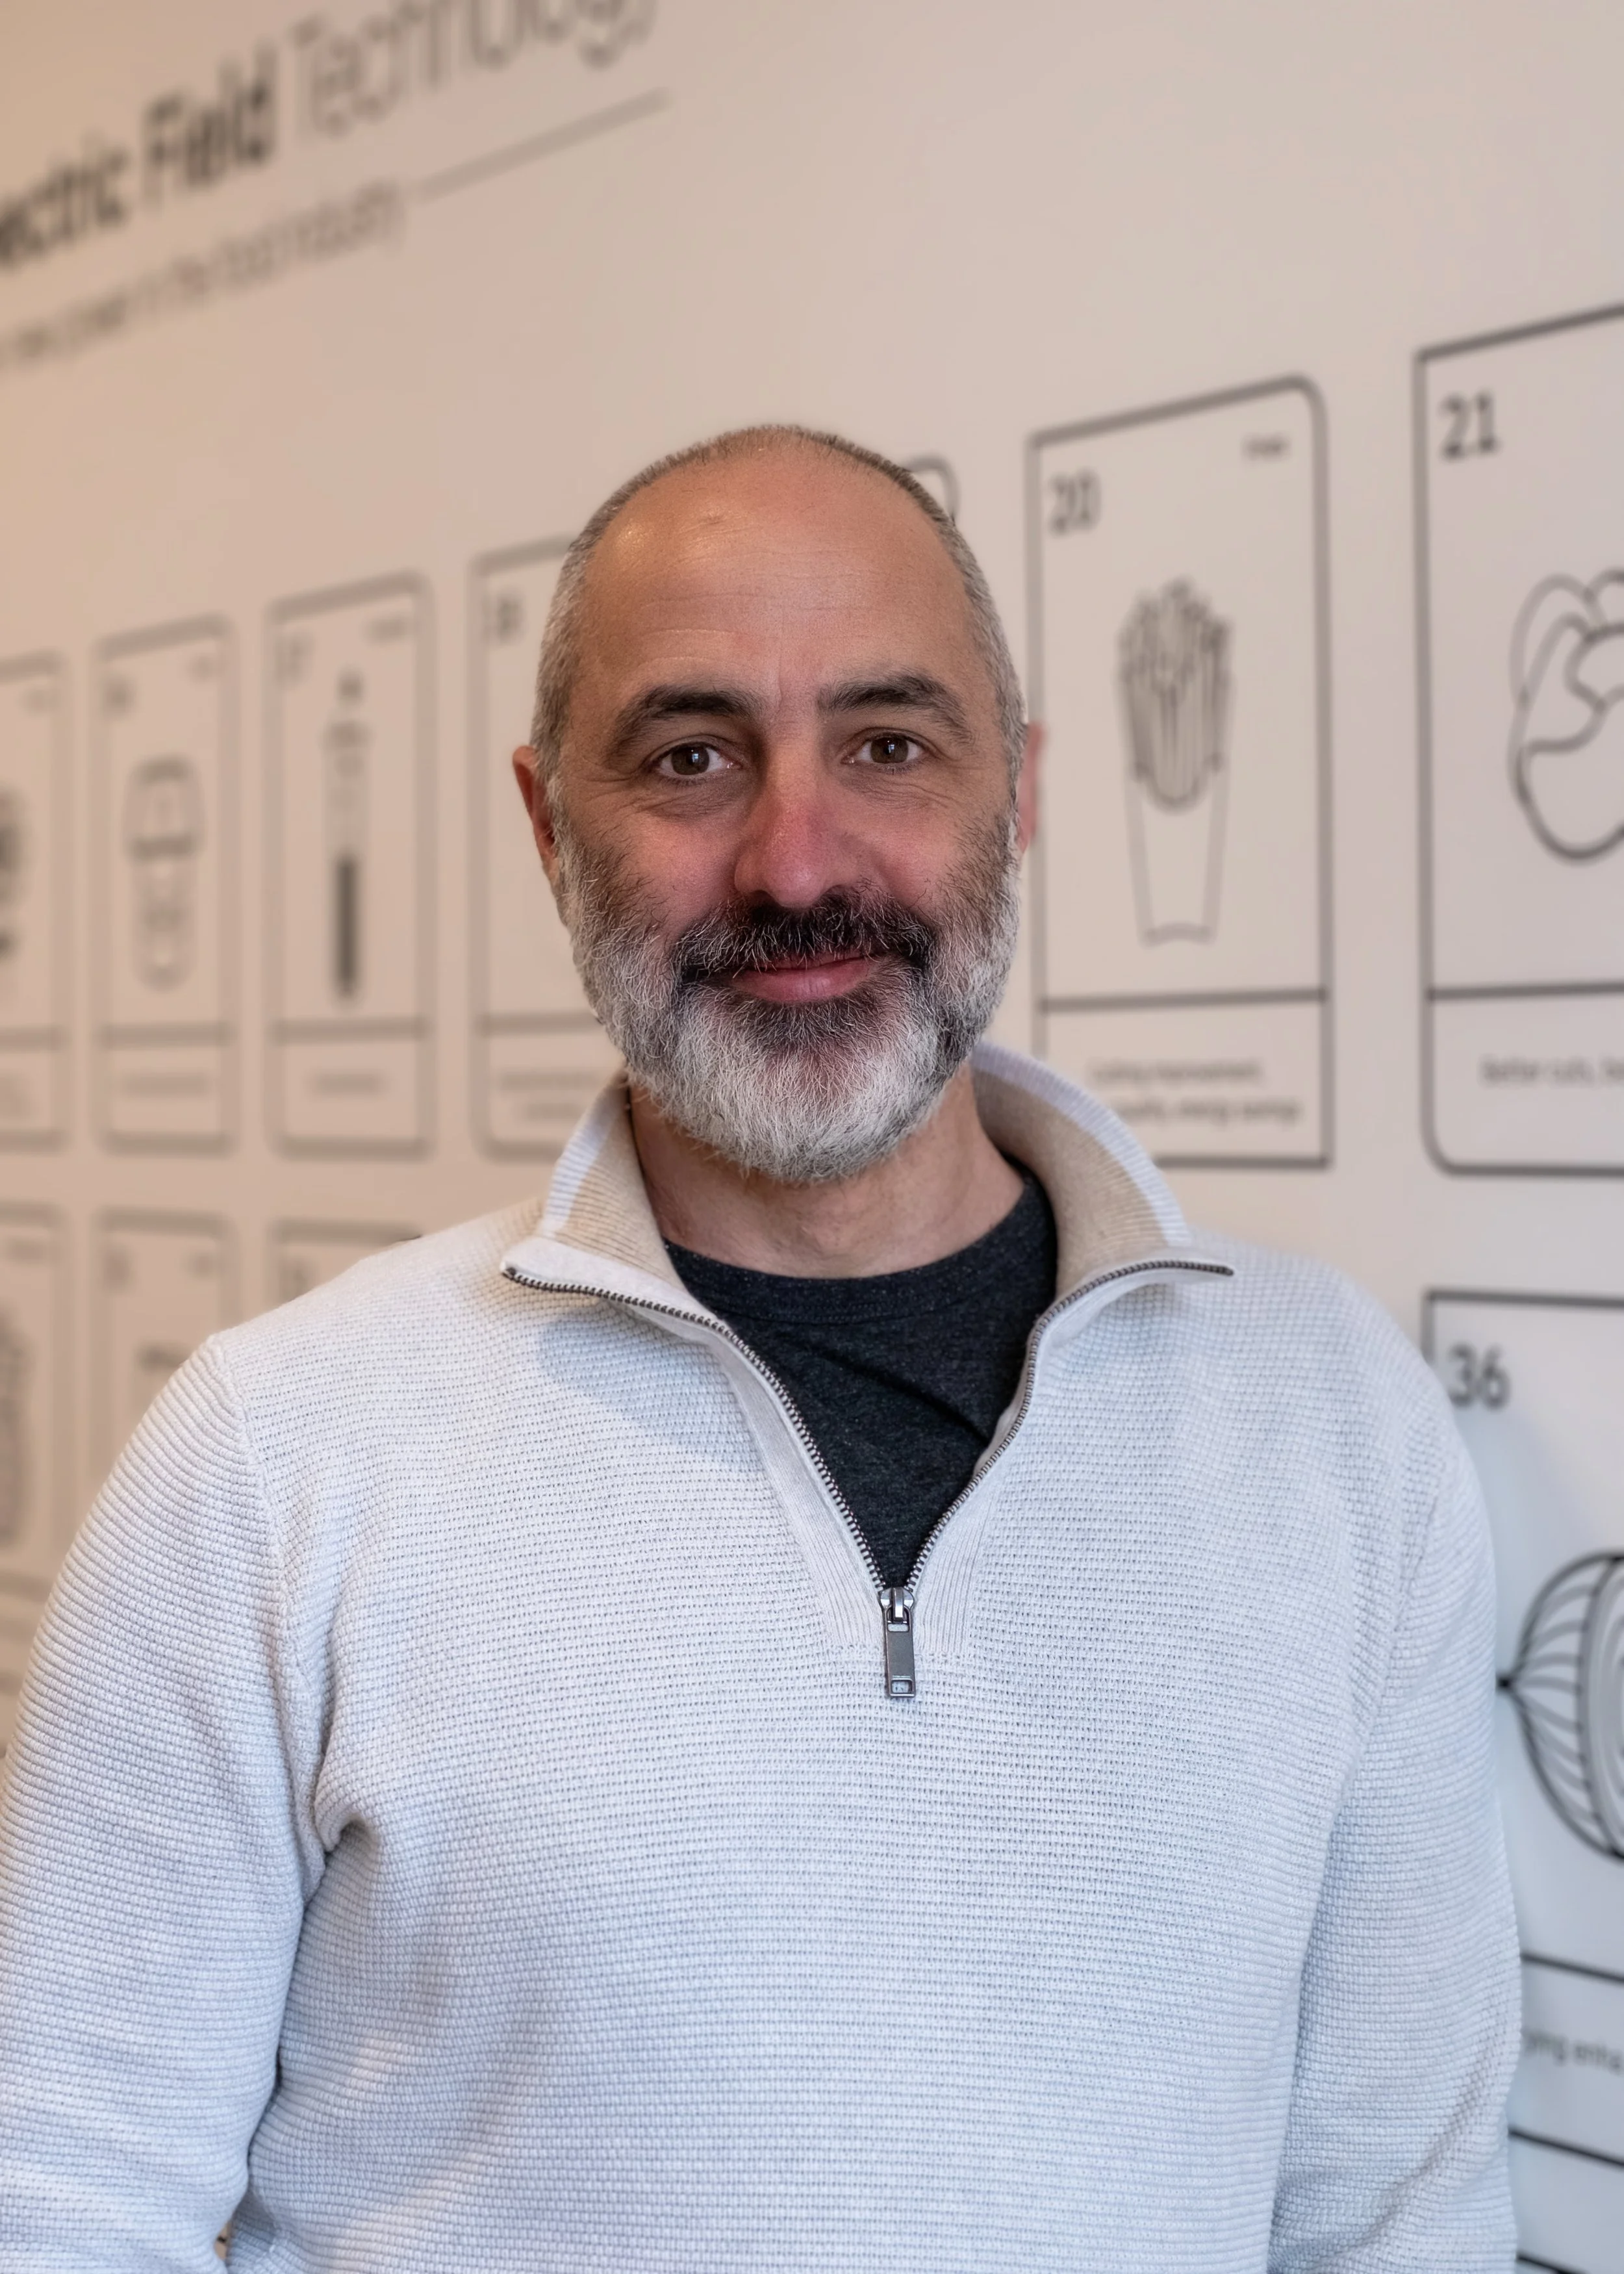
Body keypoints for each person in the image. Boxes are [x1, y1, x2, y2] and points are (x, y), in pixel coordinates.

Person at [0, 427, 1517, 2271]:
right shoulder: (274, 1459)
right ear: (547, 824)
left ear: (1018, 793)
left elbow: (1395, 2216)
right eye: (692, 757)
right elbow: (59, 2209)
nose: (796, 863)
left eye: (888, 744)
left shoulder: (1332, 1424)